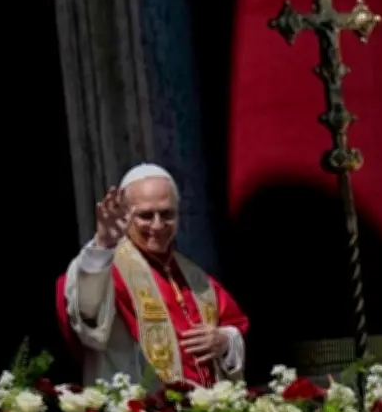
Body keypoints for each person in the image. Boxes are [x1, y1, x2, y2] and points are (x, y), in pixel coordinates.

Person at [56, 164, 249, 387]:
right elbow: (87, 319)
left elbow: (236, 326)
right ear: (125, 215)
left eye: (167, 214)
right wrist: (103, 245)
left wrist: (224, 340)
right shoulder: (102, 266)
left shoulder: (194, 277)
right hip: (139, 410)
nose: (158, 226)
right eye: (146, 216)